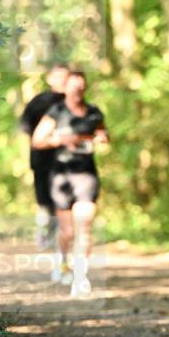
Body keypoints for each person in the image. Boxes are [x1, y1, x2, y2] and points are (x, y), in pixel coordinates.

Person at [31, 70, 108, 297]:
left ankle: (80, 277)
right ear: (66, 89)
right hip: (61, 176)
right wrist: (61, 139)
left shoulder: (93, 112)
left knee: (84, 225)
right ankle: (62, 260)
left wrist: (101, 137)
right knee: (67, 231)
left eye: (82, 88)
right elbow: (37, 140)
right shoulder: (56, 112)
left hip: (86, 174)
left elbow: (103, 133)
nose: (78, 92)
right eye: (74, 88)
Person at [19, 64, 69, 248]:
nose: (62, 80)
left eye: (65, 76)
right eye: (58, 76)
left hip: (68, 162)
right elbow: (25, 127)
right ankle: (45, 231)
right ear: (49, 78)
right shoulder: (39, 101)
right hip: (42, 159)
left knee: (64, 201)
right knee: (44, 201)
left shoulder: (74, 102)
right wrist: (47, 138)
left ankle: (61, 239)